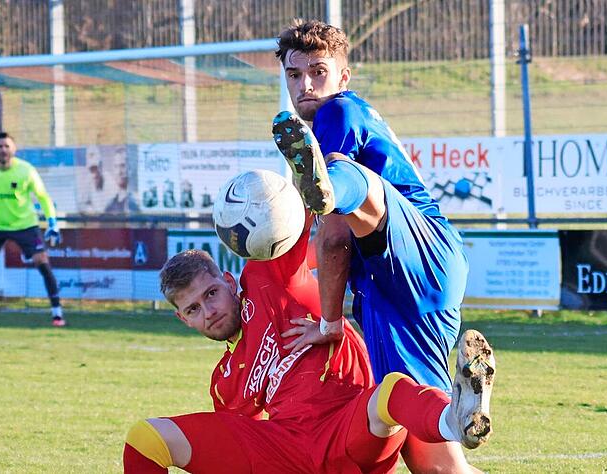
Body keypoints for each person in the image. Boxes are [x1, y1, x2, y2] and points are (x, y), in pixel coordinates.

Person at [272, 19, 495, 472]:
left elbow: (334, 237)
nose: (306, 85)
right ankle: (461, 413)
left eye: (318, 71)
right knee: (425, 445)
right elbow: (329, 245)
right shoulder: (323, 126)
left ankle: (329, 185)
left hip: (423, 248)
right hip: (389, 291)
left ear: (343, 77)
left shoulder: (339, 113)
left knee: (343, 174)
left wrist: (330, 322)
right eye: (295, 75)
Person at [123, 224, 494, 473]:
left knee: (392, 390)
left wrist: (307, 142)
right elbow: (245, 450)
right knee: (146, 438)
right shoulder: (223, 382)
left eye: (212, 294)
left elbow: (304, 207)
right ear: (182, 320)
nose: (210, 311)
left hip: (350, 426)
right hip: (291, 450)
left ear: (229, 281)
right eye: (194, 309)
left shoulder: (267, 276)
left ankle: (457, 418)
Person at [0, 132, 66, 327]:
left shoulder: (26, 171)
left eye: (7, 146)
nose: (3, 150)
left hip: (25, 225)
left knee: (42, 261)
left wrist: (52, 223)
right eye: (0, 146)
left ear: (14, 149)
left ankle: (57, 314)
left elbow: (43, 197)